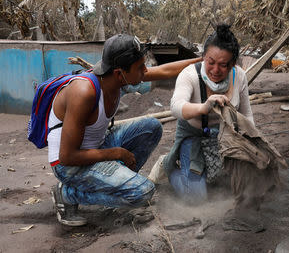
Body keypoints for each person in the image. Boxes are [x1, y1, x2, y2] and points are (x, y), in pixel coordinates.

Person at [48, 34, 202, 226]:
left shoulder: (116, 78)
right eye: (140, 68)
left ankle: (116, 186)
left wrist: (203, 61)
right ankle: (66, 194)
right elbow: (67, 156)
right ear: (120, 73)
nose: (145, 71)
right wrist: (116, 153)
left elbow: (164, 70)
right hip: (70, 166)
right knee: (143, 193)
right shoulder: (84, 93)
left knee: (152, 127)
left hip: (97, 145)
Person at [162, 24, 254, 204]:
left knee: (243, 186)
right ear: (203, 56)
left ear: (233, 64)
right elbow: (176, 106)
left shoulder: (240, 77)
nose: (215, 70)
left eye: (223, 65)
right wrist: (204, 108)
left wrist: (251, 143)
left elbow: (247, 115)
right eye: (210, 62)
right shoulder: (189, 75)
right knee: (196, 198)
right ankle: (170, 168)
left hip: (224, 137)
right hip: (193, 136)